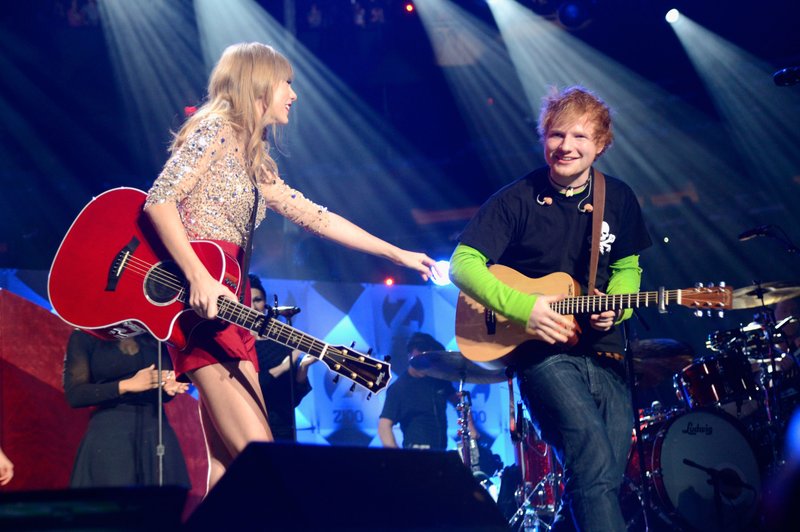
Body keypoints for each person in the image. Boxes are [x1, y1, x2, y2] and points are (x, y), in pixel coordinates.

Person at [142, 42, 438, 489]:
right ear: (259, 83)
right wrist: (198, 275)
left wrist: (395, 253)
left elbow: (317, 217)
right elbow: (158, 201)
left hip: (231, 309)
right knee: (262, 464)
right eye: (287, 83)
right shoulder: (216, 131)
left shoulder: (256, 160)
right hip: (203, 313)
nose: (293, 95)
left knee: (226, 475)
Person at [450, 86, 652, 532]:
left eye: (580, 137)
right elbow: (462, 265)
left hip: (605, 350)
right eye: (557, 135)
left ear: (601, 145)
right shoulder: (516, 198)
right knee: (592, 457)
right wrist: (525, 308)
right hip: (541, 353)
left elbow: (628, 266)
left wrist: (614, 308)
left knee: (601, 475)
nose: (566, 146)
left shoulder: (617, 198)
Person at [63, 329, 190, 487]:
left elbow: (165, 384)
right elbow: (75, 394)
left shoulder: (153, 333)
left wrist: (168, 385)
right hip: (110, 435)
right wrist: (127, 385)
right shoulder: (86, 334)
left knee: (163, 504)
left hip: (155, 432)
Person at [378, 333, 477, 451]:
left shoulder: (438, 380)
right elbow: (384, 426)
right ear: (410, 354)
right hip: (416, 455)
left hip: (440, 452)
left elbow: (458, 402)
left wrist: (470, 426)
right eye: (420, 352)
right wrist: (398, 458)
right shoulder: (399, 388)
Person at [249, 273, 315, 442]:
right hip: (250, 426)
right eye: (247, 300)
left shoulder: (281, 342)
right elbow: (255, 385)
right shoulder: (239, 343)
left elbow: (293, 397)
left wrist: (303, 367)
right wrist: (283, 367)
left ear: (265, 303)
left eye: (257, 300)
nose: (253, 305)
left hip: (283, 429)